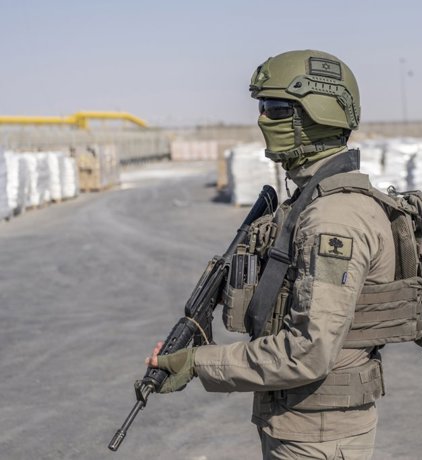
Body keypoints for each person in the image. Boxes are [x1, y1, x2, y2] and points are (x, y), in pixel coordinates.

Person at [147, 49, 395, 460]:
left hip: (317, 438)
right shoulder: (311, 203)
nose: (262, 120)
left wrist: (198, 362)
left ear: (316, 115)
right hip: (303, 424)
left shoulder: (333, 220)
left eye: (275, 109)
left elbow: (308, 351)